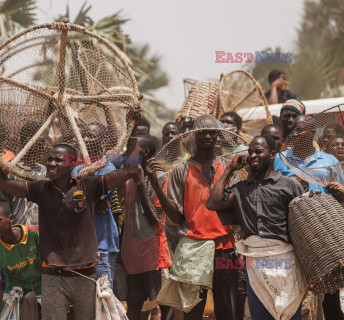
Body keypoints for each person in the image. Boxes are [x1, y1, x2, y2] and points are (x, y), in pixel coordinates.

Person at [0, 139, 140, 319]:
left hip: (85, 274)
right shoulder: (40, 189)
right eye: (49, 159)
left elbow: (130, 170)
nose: (51, 163)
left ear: (72, 163)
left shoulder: (88, 185)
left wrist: (133, 131)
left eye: (58, 160)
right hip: (52, 276)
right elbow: (0, 182)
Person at [149, 115, 239, 320]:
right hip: (193, 248)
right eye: (203, 132)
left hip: (224, 247)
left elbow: (236, 207)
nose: (208, 136)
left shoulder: (229, 167)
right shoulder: (181, 169)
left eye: (212, 132)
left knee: (227, 307)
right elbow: (175, 215)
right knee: (192, 310)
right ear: (194, 136)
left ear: (219, 136)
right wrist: (155, 183)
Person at [206, 135, 306, 320]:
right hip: (255, 264)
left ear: (273, 154)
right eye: (250, 152)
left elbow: (303, 229)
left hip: (286, 263)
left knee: (290, 314)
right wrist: (230, 168)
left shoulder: (289, 185)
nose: (253, 156)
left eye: (258, 151)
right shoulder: (241, 189)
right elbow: (212, 203)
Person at [121, 134, 171, 320]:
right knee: (133, 304)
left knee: (163, 302)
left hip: (153, 253)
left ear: (146, 152)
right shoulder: (127, 176)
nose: (127, 154)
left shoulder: (159, 177)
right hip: (132, 252)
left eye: (132, 151)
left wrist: (143, 182)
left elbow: (155, 219)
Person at [72, 123, 120, 289]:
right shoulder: (76, 170)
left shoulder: (108, 168)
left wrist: (88, 199)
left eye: (91, 136)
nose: (85, 139)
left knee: (103, 295)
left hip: (101, 244)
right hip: (80, 246)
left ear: (103, 141)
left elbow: (93, 199)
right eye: (83, 135)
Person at [0, 202, 42, 320]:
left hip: (41, 287)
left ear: (10, 218)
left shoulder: (32, 233)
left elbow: (48, 264)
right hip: (15, 292)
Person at [274, 115, 344, 193]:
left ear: (312, 132)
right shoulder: (279, 158)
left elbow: (341, 191)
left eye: (299, 130)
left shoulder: (330, 161)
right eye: (293, 130)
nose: (294, 134)